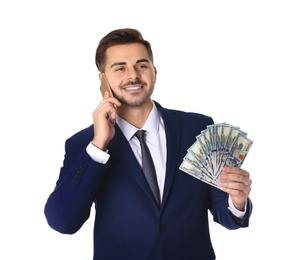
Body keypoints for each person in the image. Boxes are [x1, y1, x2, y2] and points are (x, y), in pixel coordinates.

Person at [44, 28, 253, 260]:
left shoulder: (198, 128)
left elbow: (224, 213)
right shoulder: (85, 144)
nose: (133, 75)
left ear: (153, 72)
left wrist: (237, 201)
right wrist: (98, 145)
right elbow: (63, 222)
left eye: (141, 66)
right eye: (120, 68)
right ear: (103, 80)